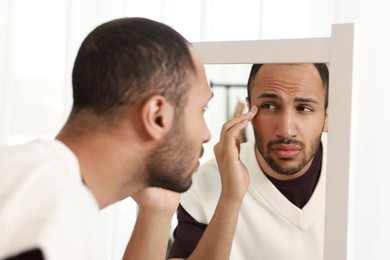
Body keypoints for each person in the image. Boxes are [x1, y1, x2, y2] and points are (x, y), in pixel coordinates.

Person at [0, 17, 244, 260]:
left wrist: (158, 210)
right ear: (157, 116)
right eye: (202, 110)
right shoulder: (54, 224)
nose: (207, 134)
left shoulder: (34, 181)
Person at [168, 63, 329, 260]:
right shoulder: (205, 183)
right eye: (269, 106)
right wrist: (230, 196)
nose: (286, 131)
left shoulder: (358, 170)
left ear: (327, 115)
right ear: (249, 111)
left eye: (304, 108)